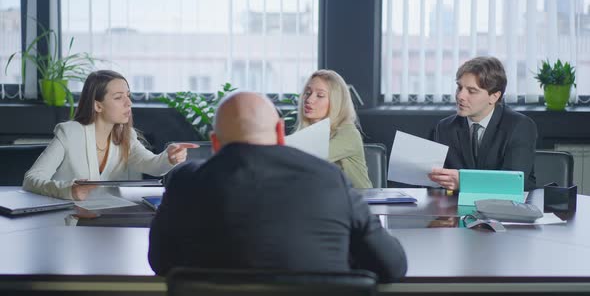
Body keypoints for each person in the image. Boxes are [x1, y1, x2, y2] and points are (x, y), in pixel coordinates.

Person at [148, 92, 407, 282]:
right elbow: (391, 265)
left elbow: (161, 262)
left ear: (215, 143)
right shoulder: (329, 178)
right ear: (280, 132)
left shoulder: (184, 182)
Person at [23, 70, 197, 200]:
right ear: (98, 106)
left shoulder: (126, 135)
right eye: (118, 97)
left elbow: (150, 165)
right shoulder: (69, 133)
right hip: (64, 220)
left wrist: (169, 158)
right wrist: (68, 190)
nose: (129, 103)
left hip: (103, 218)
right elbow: (31, 179)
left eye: (128, 96)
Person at [429, 56, 537, 191]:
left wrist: (464, 182)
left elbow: (512, 182)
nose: (460, 96)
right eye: (459, 87)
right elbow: (437, 182)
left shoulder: (519, 126)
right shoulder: (445, 127)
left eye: (471, 91)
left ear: (494, 96)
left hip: (509, 206)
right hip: (457, 207)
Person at [295, 69, 372, 189]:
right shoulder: (308, 132)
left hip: (357, 204)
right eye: (307, 92)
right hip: (328, 200)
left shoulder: (349, 133)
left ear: (336, 102)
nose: (309, 100)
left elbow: (307, 161)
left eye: (320, 95)